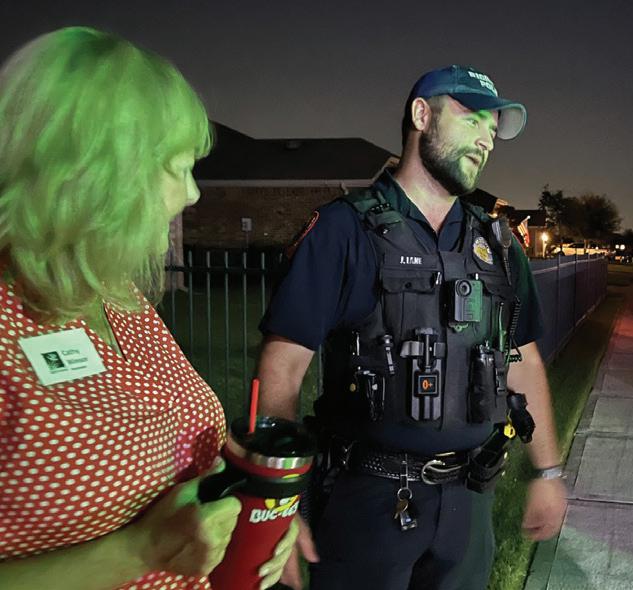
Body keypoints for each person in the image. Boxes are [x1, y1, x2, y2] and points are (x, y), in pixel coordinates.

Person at [0, 27, 298, 590]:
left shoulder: (114, 296)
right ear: (98, 173)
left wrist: (251, 515)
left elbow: (175, 448)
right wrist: (139, 551)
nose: (193, 194)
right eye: (179, 168)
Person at [256, 65, 567, 590]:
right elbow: (281, 369)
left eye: (493, 129)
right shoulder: (344, 230)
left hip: (470, 501)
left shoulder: (497, 244)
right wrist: (279, 501)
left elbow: (523, 359)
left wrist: (549, 472)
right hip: (367, 503)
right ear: (422, 115)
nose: (487, 139)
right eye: (472, 120)